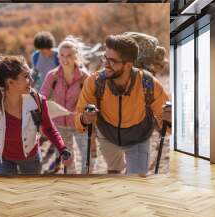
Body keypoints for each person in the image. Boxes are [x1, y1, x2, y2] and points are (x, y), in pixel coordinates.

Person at [0, 55, 72, 175]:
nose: (31, 80)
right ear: (10, 82)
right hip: (1, 159)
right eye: (26, 76)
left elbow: (48, 128)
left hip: (31, 158)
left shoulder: (37, 101)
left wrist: (63, 150)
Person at [74, 34, 172, 176]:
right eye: (105, 58)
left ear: (129, 64)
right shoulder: (94, 82)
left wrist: (169, 120)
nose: (105, 64)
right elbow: (78, 118)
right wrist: (84, 118)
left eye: (112, 61)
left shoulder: (148, 83)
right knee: (114, 172)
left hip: (138, 136)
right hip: (107, 134)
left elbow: (166, 123)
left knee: (136, 181)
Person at [40, 36, 95, 174]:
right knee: (68, 161)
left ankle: (86, 185)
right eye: (62, 55)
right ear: (58, 56)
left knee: (88, 159)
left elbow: (92, 102)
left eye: (69, 55)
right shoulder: (52, 76)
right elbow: (42, 99)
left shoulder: (85, 77)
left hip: (80, 123)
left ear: (76, 56)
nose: (65, 59)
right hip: (59, 125)